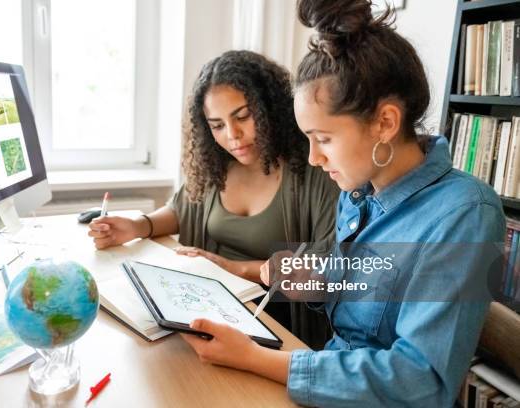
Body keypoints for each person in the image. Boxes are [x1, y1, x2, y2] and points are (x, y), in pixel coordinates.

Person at [179, 1, 506, 406]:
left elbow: (421, 382)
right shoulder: (358, 193)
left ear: (385, 122)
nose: (314, 158)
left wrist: (258, 359)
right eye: (308, 139)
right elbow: (363, 291)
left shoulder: (465, 213)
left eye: (325, 139)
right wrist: (313, 279)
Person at [88, 50, 340, 348]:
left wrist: (231, 268)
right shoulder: (217, 165)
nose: (232, 135)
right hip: (215, 311)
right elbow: (182, 209)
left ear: (270, 108)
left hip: (280, 330)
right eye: (217, 125)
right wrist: (136, 226)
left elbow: (326, 273)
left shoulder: (316, 170)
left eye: (243, 117)